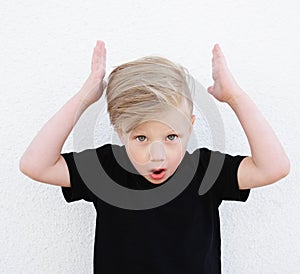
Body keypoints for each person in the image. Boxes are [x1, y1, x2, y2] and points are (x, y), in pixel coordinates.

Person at [19, 40, 290, 274]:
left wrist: (235, 97)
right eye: (141, 138)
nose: (157, 156)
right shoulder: (106, 169)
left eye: (171, 137)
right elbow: (36, 164)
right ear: (120, 132)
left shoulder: (205, 171)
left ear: (190, 126)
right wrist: (83, 98)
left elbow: (273, 167)